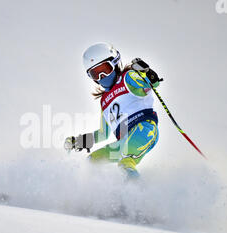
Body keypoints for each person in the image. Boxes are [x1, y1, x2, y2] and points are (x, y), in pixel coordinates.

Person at [64, 42, 163, 177]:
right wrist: (79, 142)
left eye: (105, 69)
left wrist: (148, 75)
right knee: (91, 162)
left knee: (125, 162)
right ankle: (97, 193)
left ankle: (138, 195)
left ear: (115, 63)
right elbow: (103, 134)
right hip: (122, 142)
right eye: (95, 74)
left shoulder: (127, 78)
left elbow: (148, 86)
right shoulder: (104, 101)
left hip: (143, 129)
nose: (102, 77)